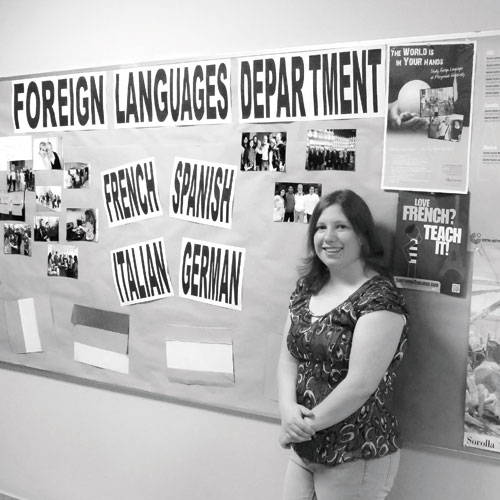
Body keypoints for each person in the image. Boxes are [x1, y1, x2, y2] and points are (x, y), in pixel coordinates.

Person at [277, 189, 409, 500]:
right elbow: (288, 359)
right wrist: (287, 411)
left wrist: (299, 427)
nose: (329, 237)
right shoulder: (308, 289)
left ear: (363, 236)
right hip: (305, 447)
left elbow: (360, 384)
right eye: (321, 227)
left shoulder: (379, 298)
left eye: (342, 227)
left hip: (356, 451)